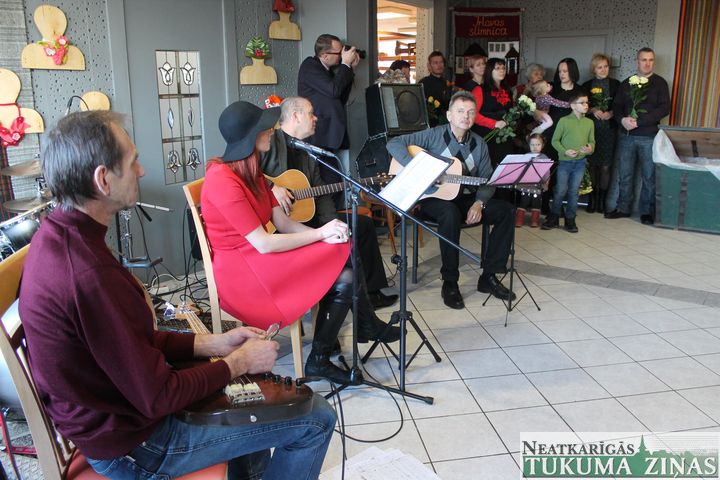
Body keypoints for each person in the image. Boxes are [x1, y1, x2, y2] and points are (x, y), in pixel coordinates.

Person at [18, 110, 336, 479]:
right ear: (103, 179)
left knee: (252, 407)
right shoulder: (88, 274)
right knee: (317, 419)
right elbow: (159, 396)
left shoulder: (61, 237)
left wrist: (212, 344)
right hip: (135, 446)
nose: (142, 171)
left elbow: (130, 342)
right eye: (133, 162)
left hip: (120, 420)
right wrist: (238, 363)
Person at [202, 101, 400, 384]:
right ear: (251, 136)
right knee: (343, 269)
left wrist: (326, 235)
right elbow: (263, 243)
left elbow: (282, 223)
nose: (271, 130)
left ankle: (323, 355)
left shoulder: (253, 171)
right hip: (244, 273)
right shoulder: (222, 180)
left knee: (342, 251)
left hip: (260, 258)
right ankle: (354, 334)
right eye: (265, 127)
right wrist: (319, 234)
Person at [259, 96, 398, 310]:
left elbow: (321, 193)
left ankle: (371, 293)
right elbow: (243, 171)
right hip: (275, 228)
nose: (316, 118)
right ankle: (342, 297)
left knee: (361, 225)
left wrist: (333, 224)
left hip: (309, 219)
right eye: (311, 113)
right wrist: (270, 186)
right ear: (295, 116)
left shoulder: (309, 151)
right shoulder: (269, 141)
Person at [386, 91, 515, 309]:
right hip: (433, 199)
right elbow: (394, 143)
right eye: (460, 111)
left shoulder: (480, 144)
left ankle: (489, 276)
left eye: (471, 112)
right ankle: (450, 282)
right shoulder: (433, 135)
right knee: (449, 213)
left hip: (466, 199)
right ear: (449, 115)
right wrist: (418, 169)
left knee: (506, 210)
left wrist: (479, 203)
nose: (466, 116)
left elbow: (488, 180)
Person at [605, 47, 670, 225]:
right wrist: (622, 120)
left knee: (649, 176)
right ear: (637, 61)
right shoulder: (628, 83)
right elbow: (617, 106)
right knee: (625, 174)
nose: (647, 63)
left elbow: (664, 108)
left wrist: (639, 121)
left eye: (650, 60)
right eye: (643, 60)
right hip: (626, 135)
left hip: (649, 136)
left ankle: (646, 212)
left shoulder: (660, 83)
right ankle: (623, 208)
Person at [297, 34, 359, 201]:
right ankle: (325, 215)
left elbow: (339, 98)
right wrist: (345, 65)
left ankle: (330, 214)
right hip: (317, 135)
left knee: (333, 184)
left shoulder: (327, 70)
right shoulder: (310, 67)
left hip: (327, 135)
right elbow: (334, 91)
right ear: (324, 55)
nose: (342, 55)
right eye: (339, 53)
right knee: (329, 183)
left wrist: (349, 68)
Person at [542, 92, 595, 233]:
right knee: (560, 190)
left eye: (587, 102)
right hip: (565, 162)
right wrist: (565, 151)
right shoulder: (564, 121)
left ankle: (570, 219)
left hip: (580, 162)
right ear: (573, 106)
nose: (586, 105)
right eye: (582, 103)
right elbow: (555, 141)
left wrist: (590, 149)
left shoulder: (589, 122)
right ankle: (553, 217)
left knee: (574, 192)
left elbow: (592, 141)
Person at [581, 53, 620, 214]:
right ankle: (592, 200)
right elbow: (580, 105)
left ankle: (602, 201)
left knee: (605, 167)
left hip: (609, 131)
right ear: (593, 69)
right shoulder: (586, 85)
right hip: (591, 130)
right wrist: (593, 110)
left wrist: (611, 113)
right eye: (599, 67)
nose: (603, 70)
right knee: (591, 165)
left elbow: (621, 105)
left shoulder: (616, 84)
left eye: (606, 66)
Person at [516, 133, 546, 228]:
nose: (535, 147)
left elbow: (547, 172)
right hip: (526, 185)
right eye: (532, 145)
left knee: (536, 202)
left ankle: (534, 220)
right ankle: (519, 219)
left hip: (538, 185)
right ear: (529, 145)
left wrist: (547, 183)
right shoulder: (526, 156)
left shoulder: (544, 158)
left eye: (538, 144)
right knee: (523, 201)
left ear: (542, 145)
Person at [418, 51, 453, 126]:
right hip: (429, 124)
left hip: (445, 122)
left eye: (441, 62)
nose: (439, 65)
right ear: (429, 66)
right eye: (435, 63)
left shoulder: (446, 83)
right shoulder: (423, 83)